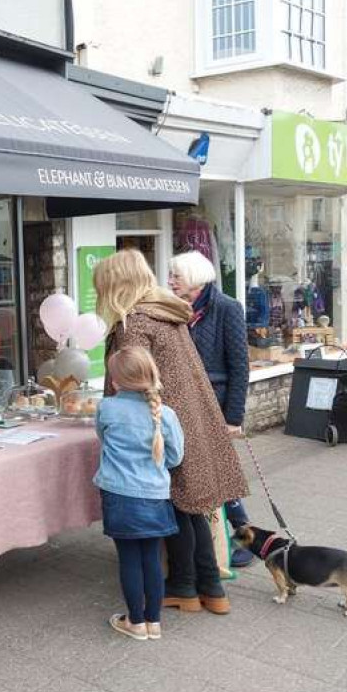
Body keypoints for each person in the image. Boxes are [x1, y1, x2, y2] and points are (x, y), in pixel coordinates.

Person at [95, 250, 248, 615]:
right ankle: (211, 589)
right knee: (191, 508)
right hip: (189, 418)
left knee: (178, 508)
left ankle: (183, 586)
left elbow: (131, 379)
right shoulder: (167, 312)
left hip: (161, 424)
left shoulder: (135, 321)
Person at [168, 251, 255, 568]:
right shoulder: (175, 310)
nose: (170, 281)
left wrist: (234, 418)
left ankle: (244, 535)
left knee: (220, 470)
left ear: (193, 278)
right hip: (183, 405)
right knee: (201, 472)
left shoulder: (226, 308)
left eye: (176, 276)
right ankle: (204, 540)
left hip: (215, 405)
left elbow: (239, 366)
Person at [96, 347, 184, 640]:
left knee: (129, 560)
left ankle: (135, 622)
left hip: (119, 496)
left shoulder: (106, 408)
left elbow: (103, 440)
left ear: (116, 380)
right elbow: (175, 458)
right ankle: (154, 623)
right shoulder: (166, 414)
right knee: (151, 559)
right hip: (155, 496)